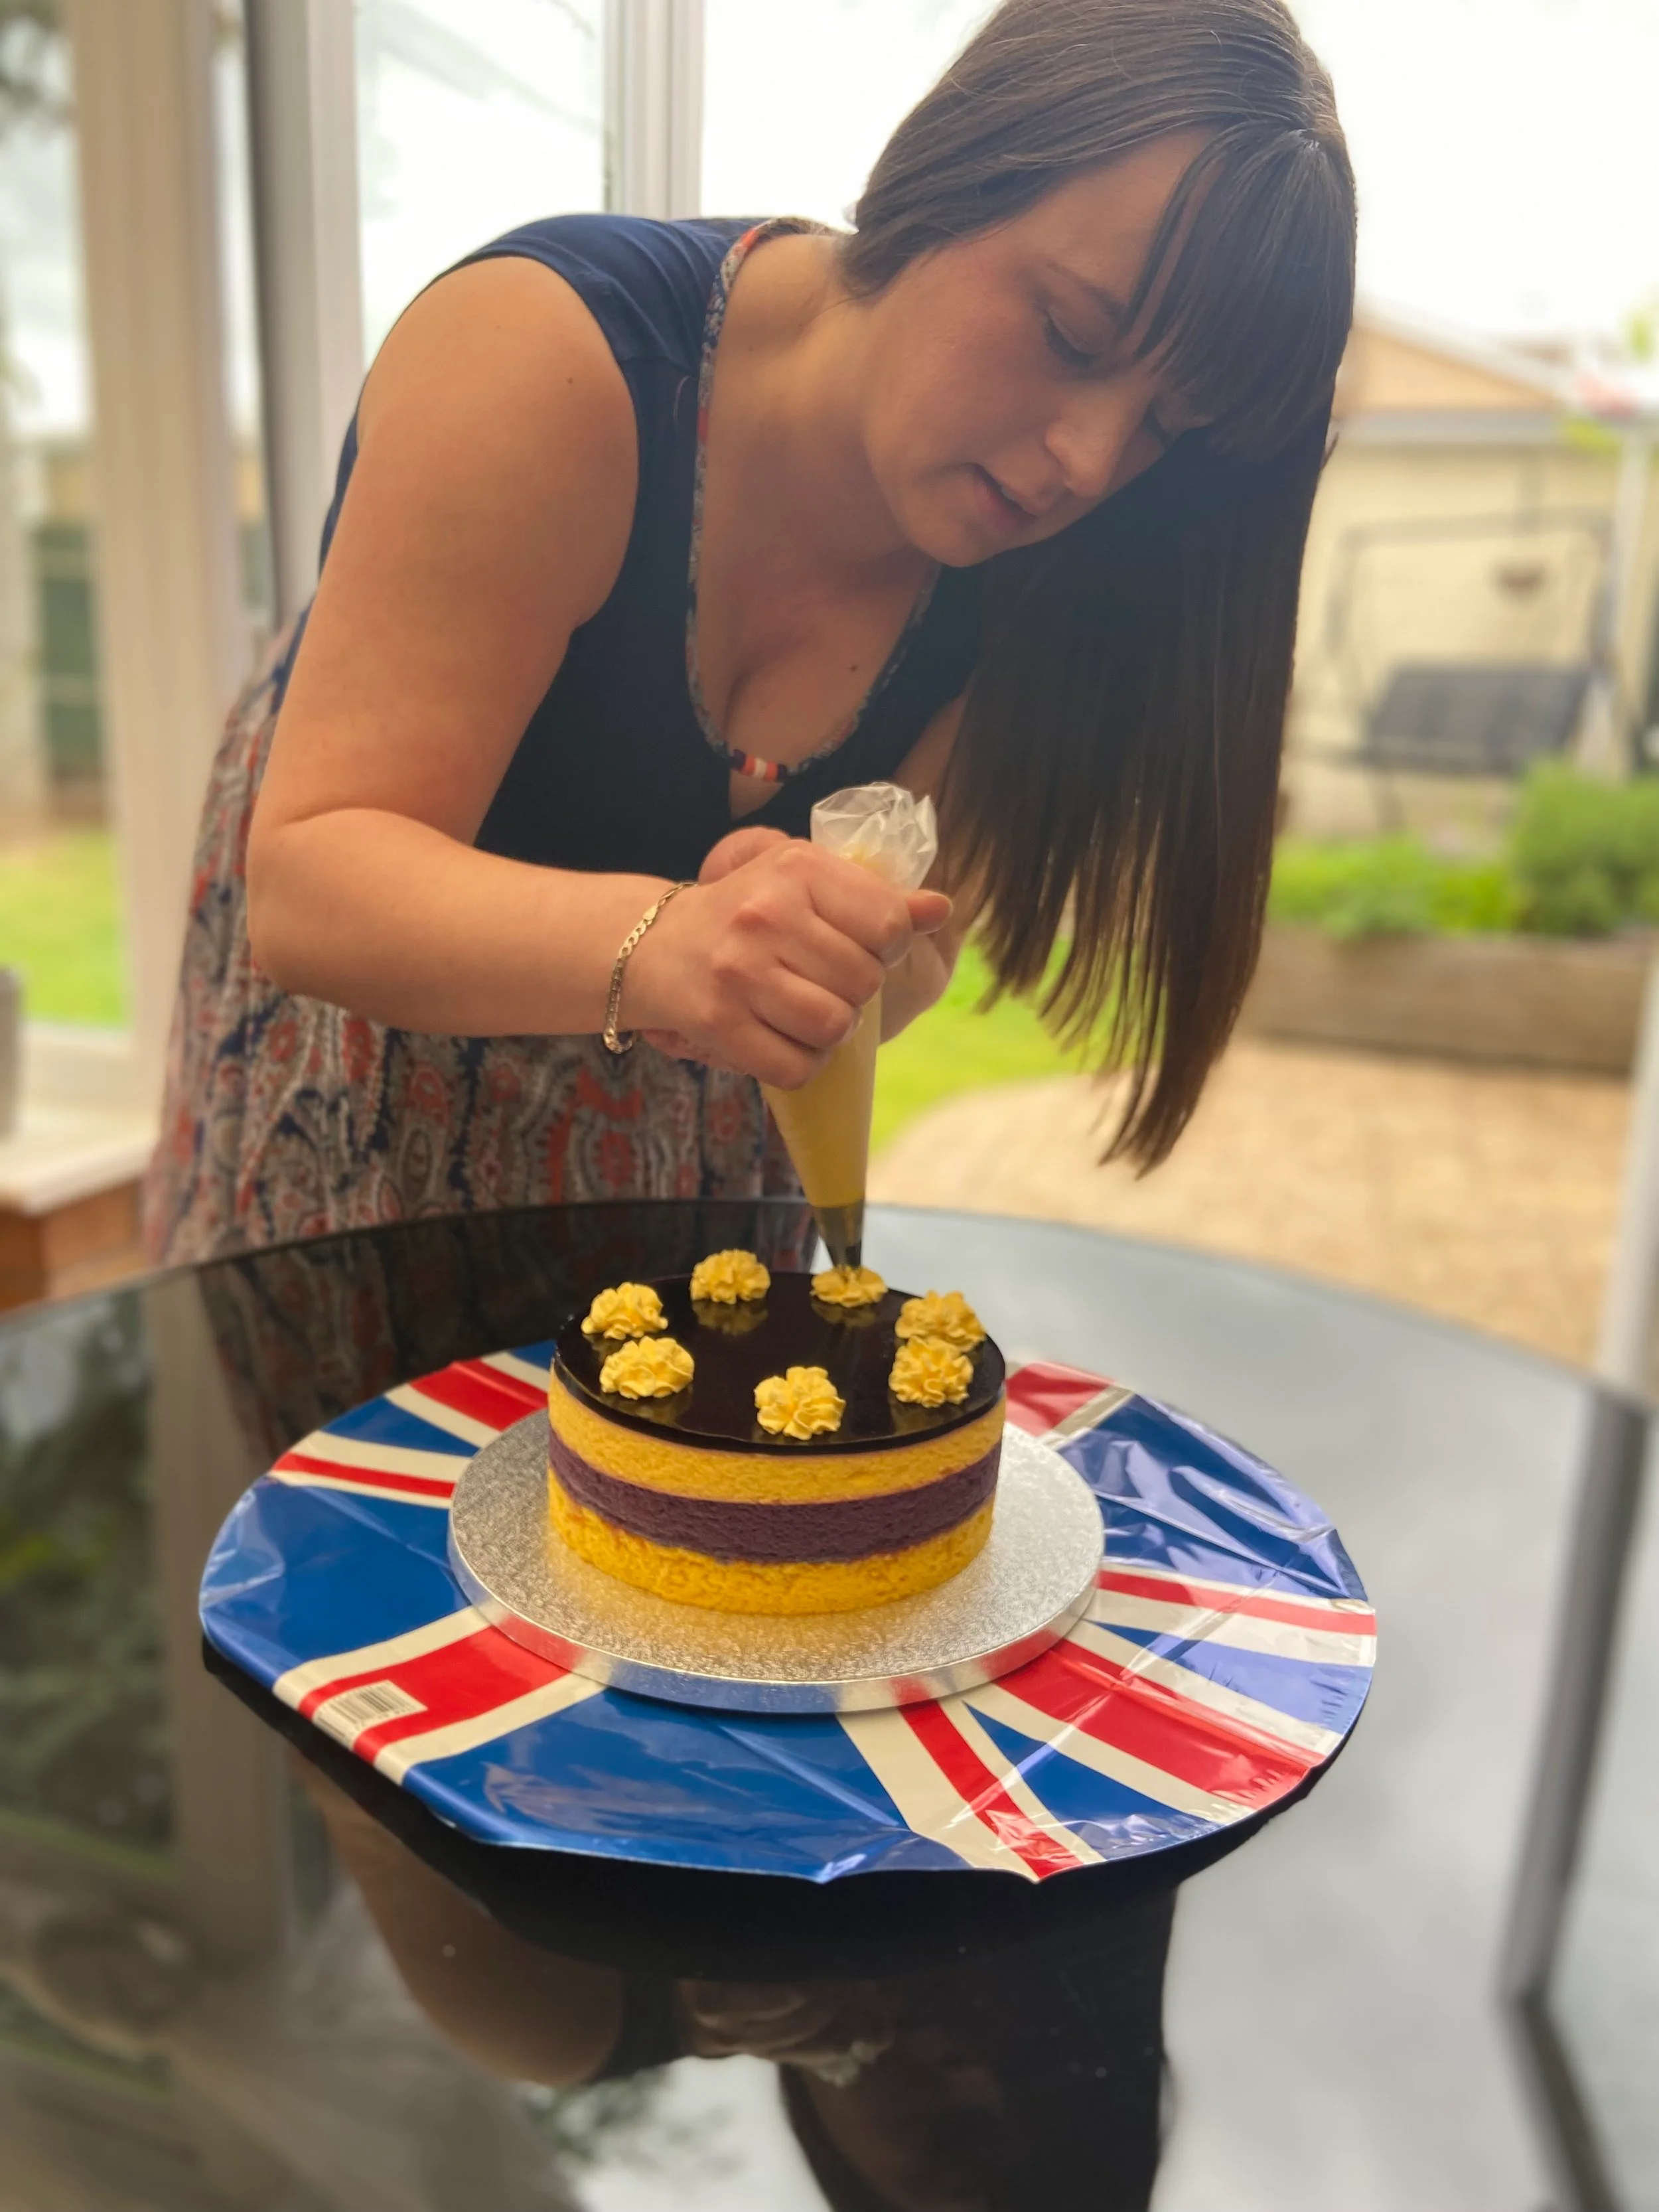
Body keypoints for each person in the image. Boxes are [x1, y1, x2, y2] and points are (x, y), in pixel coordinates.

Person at [143, 0, 1355, 1265]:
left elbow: (918, 956)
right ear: (946, 174)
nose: (1092, 460)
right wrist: (674, 944)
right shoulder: (550, 359)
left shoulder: (1060, 565)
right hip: (355, 1087)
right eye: (1070, 335)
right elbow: (316, 876)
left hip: (699, 1142)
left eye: (1169, 423)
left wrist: (830, 966)